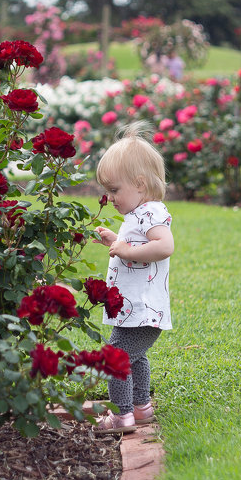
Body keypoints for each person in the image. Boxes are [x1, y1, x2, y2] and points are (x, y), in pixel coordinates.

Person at [92, 121, 174, 435]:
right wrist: (116, 240)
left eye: (114, 190)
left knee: (116, 356)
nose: (109, 197)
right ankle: (141, 409)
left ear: (139, 184)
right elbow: (136, 246)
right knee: (134, 357)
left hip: (143, 309)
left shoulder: (152, 213)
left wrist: (125, 249)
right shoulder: (136, 215)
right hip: (134, 309)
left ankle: (121, 416)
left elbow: (165, 246)